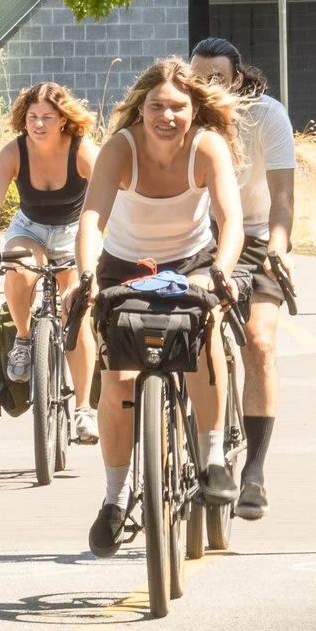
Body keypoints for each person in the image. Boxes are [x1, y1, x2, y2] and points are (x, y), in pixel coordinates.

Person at [82, 58, 244, 557]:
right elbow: (91, 219)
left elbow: (229, 218)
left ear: (195, 110)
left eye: (178, 107)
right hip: (125, 264)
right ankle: (115, 496)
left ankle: (212, 457)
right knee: (120, 378)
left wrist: (223, 270)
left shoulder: (207, 147)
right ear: (142, 108)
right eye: (157, 106)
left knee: (204, 330)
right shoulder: (121, 148)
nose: (167, 116)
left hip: (191, 260)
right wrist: (86, 275)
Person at [190, 38, 296, 518]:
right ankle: (188, 447)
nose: (205, 88)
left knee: (260, 342)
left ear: (237, 79)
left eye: (216, 79)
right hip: (196, 237)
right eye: (197, 79)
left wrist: (277, 248)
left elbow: (282, 200)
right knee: (187, 333)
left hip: (253, 237)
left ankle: (253, 471)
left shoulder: (267, 116)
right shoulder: (178, 114)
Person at [0, 81, 102, 447]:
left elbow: (109, 198)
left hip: (75, 232)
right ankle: (25, 339)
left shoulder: (82, 151)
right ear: (23, 120)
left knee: (77, 314)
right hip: (30, 229)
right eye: (32, 117)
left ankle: (83, 412)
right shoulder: (14, 152)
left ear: (63, 120)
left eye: (47, 117)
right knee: (19, 267)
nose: (39, 124)